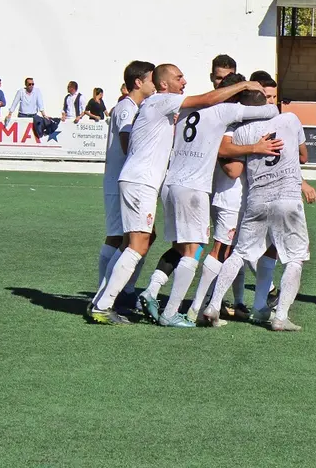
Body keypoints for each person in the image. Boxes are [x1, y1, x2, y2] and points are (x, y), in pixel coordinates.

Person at [87, 63, 263, 325]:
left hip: (142, 181)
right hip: (141, 181)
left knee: (136, 243)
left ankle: (101, 300)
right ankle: (104, 305)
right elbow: (207, 99)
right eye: (179, 77)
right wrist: (245, 86)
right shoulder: (161, 100)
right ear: (164, 84)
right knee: (137, 245)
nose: (184, 81)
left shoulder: (160, 106)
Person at [150, 72, 280, 328]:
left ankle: (230, 302)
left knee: (227, 251)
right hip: (226, 195)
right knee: (215, 250)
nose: (269, 101)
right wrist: (254, 147)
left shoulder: (193, 111)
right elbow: (232, 168)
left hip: (190, 186)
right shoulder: (228, 117)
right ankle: (196, 309)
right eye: (265, 96)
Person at [203, 95, 316, 331]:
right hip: (287, 196)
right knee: (295, 258)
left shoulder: (242, 131)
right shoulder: (290, 119)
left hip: (257, 198)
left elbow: (230, 159)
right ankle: (280, 317)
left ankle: (213, 305)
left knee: (239, 253)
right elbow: (304, 156)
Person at [94, 61, 156, 320]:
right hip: (121, 181)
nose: (155, 84)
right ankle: (104, 295)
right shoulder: (126, 108)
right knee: (119, 238)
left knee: (144, 236)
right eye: (152, 80)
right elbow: (126, 142)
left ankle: (123, 290)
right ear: (138, 82)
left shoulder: (134, 107)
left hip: (124, 180)